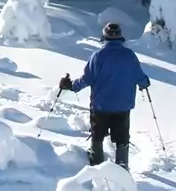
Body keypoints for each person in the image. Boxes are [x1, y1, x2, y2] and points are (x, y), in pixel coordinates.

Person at [58, 20, 151, 169]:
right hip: (122, 106)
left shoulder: (98, 56)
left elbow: (87, 79)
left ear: (104, 36)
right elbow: (140, 77)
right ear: (120, 37)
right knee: (122, 138)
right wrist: (145, 83)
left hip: (101, 106)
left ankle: (97, 163)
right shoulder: (129, 56)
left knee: (98, 136)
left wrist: (72, 86)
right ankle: (122, 166)